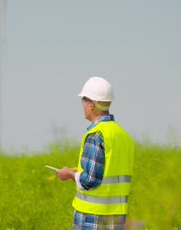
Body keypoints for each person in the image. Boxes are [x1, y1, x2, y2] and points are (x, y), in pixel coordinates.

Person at [56, 76, 135, 230]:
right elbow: (108, 171)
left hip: (93, 217)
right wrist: (78, 171)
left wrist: (70, 175)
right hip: (117, 216)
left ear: (90, 104)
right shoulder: (124, 137)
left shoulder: (96, 135)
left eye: (83, 101)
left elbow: (90, 179)